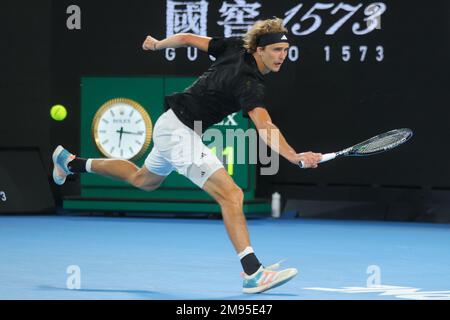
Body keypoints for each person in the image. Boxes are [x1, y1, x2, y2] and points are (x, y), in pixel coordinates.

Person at [52, 18, 322, 294]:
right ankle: (253, 272)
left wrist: (158, 45)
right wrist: (294, 156)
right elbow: (265, 127)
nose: (282, 56)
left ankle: (72, 163)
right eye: (276, 50)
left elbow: (186, 39)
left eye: (285, 51)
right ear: (259, 49)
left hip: (171, 125)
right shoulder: (249, 82)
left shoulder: (233, 47)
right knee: (232, 195)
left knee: (143, 179)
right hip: (178, 133)